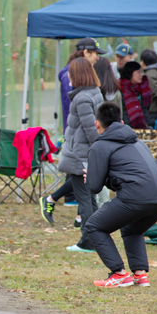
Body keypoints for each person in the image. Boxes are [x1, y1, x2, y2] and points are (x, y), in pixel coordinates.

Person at [84, 102, 157, 287]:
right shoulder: (137, 142)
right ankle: (140, 274)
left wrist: (90, 176)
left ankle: (118, 273)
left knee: (93, 226)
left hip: (138, 196)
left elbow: (94, 187)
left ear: (96, 124)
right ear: (121, 122)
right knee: (132, 229)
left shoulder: (100, 146)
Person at [39, 38, 106, 225]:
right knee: (80, 179)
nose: (98, 59)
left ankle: (77, 217)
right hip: (77, 139)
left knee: (83, 182)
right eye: (95, 54)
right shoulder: (71, 75)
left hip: (85, 141)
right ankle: (83, 224)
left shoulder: (90, 86)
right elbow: (77, 113)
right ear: (86, 52)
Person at [58, 57, 103, 253]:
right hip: (86, 154)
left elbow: (90, 130)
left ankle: (88, 241)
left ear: (78, 75)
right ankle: (97, 237)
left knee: (84, 200)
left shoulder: (82, 98)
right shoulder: (95, 93)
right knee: (90, 200)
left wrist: (97, 152)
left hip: (80, 156)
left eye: (70, 73)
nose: (68, 76)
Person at [92, 57, 122, 207]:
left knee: (99, 169)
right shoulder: (116, 90)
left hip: (101, 135)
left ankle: (102, 203)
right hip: (116, 136)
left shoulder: (95, 92)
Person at [119, 62, 151, 129]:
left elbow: (145, 110)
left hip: (142, 128)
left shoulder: (143, 88)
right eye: (138, 72)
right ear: (130, 73)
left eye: (141, 72)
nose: (141, 75)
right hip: (126, 127)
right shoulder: (122, 88)